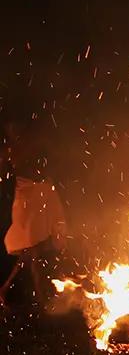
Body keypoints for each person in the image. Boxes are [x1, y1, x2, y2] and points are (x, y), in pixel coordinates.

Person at [0, 119, 67, 309]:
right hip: (28, 195)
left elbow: (48, 163)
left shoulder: (31, 145)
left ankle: (30, 295)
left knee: (33, 250)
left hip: (43, 192)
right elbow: (7, 168)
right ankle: (40, 299)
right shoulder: (12, 151)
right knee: (31, 248)